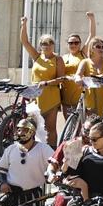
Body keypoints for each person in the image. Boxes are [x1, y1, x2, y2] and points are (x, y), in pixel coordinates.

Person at [0, 112, 54, 206]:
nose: (21, 133)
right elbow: (2, 169)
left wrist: (52, 175)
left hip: (34, 196)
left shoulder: (44, 149)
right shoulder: (11, 149)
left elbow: (54, 163)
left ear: (32, 132)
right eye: (19, 129)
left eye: (25, 130)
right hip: (13, 195)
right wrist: (3, 183)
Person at [20, 16, 66, 148]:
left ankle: (51, 152)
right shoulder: (37, 57)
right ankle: (33, 150)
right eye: (44, 43)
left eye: (50, 43)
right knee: (32, 126)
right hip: (35, 96)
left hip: (51, 96)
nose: (47, 46)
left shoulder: (58, 59)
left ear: (53, 45)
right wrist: (24, 24)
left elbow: (61, 78)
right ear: (40, 46)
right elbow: (24, 41)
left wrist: (47, 83)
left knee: (50, 128)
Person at [60, 12, 97, 123]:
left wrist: (92, 19)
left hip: (82, 96)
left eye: (76, 43)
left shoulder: (83, 53)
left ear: (80, 44)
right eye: (71, 43)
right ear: (67, 44)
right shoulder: (63, 57)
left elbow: (92, 35)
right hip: (66, 95)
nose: (74, 45)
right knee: (69, 124)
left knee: (82, 124)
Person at [73, 36, 103, 117]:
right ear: (91, 48)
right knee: (91, 123)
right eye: (98, 47)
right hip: (89, 96)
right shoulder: (85, 62)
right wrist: (78, 79)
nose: (101, 49)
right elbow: (78, 74)